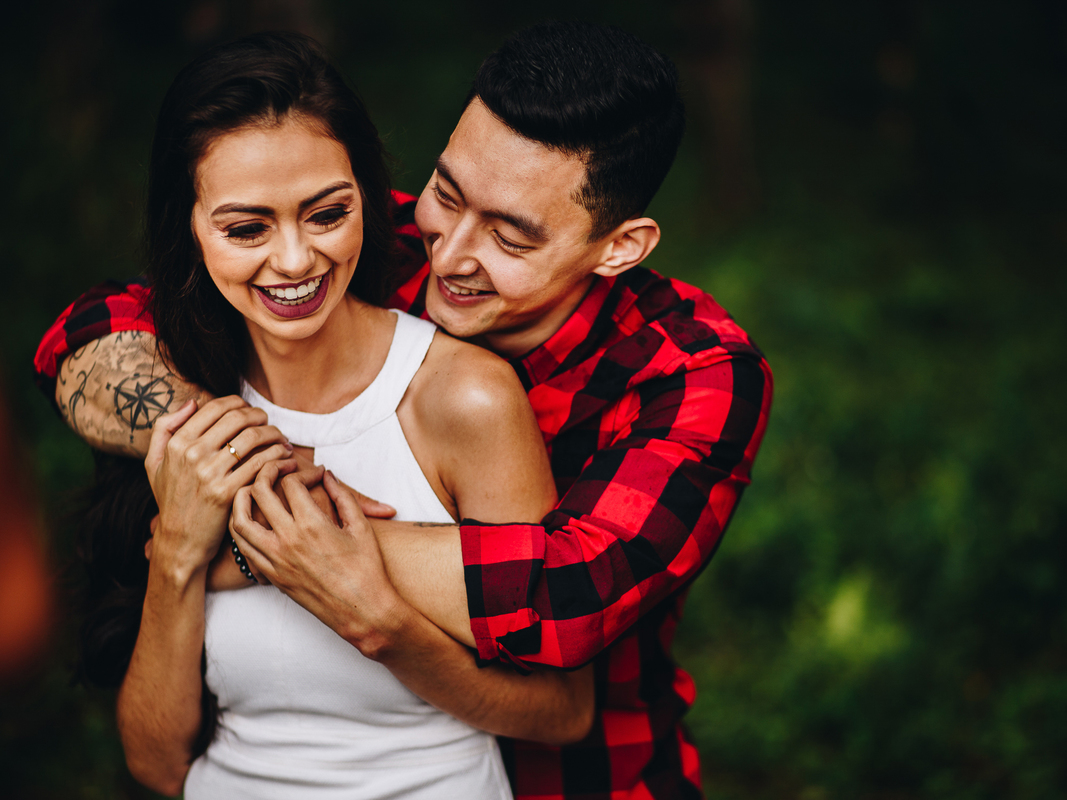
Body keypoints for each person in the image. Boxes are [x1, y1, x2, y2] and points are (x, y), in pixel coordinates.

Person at [36, 21, 773, 799]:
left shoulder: (692, 375)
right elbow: (94, 327)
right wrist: (233, 462)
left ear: (619, 247)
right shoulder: (354, 242)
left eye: (509, 240)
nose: (448, 256)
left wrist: (254, 535)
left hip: (585, 778)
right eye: (447, 194)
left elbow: (566, 594)